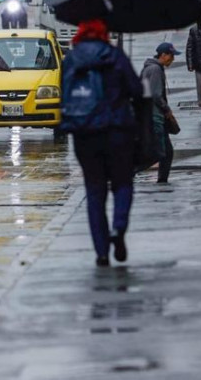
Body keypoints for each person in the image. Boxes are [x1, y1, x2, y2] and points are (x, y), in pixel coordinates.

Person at [60, 19, 145, 266]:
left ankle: (101, 252)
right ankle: (118, 228)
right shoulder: (115, 56)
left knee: (94, 190)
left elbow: (63, 92)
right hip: (117, 130)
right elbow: (137, 91)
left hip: (84, 133)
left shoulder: (73, 59)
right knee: (122, 183)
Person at [140, 43, 179, 185]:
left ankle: (162, 180)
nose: (172, 59)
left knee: (165, 151)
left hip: (150, 115)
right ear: (163, 55)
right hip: (155, 116)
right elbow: (156, 94)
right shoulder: (156, 69)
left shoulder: (149, 68)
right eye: (171, 55)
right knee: (160, 152)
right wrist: (167, 109)